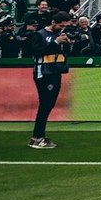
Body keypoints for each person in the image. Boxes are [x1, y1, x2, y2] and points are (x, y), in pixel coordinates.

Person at [28, 10, 73, 148]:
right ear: (53, 22)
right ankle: (37, 136)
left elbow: (64, 53)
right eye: (61, 25)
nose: (62, 28)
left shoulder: (59, 35)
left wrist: (67, 43)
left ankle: (39, 135)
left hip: (55, 71)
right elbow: (36, 52)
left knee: (49, 104)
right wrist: (55, 42)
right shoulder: (40, 34)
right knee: (45, 104)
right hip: (43, 72)